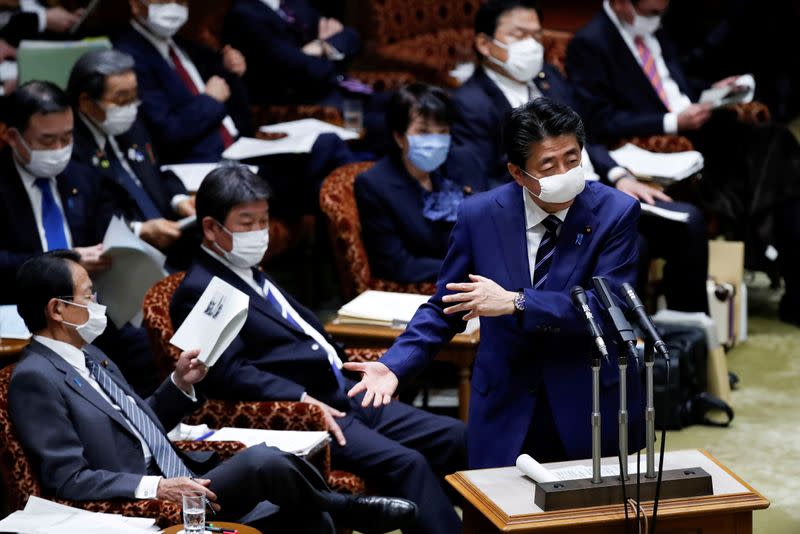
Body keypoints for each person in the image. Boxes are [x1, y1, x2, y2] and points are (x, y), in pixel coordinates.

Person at [9, 251, 417, 534]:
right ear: (57, 309)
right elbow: (68, 479)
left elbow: (136, 428)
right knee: (262, 462)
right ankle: (350, 508)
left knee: (308, 521)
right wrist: (156, 489)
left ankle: (332, 510)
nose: (97, 302)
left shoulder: (91, 353)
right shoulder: (36, 377)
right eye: (87, 295)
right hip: (148, 502)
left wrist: (180, 383)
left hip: (188, 477)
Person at [345, 98, 644, 469]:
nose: (565, 172)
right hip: (506, 402)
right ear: (518, 173)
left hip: (586, 399)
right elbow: (447, 306)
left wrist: (518, 301)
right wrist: (394, 365)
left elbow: (605, 309)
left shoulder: (616, 213)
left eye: (572, 158)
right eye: (548, 165)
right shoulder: (480, 214)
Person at [170, 165, 466, 534]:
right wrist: (301, 399)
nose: (259, 232)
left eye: (263, 220)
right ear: (212, 227)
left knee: (457, 436)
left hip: (345, 390)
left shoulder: (247, 268)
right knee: (408, 463)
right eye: (246, 223)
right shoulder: (200, 289)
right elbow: (229, 372)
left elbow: (305, 333)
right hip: (310, 411)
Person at [451, 0, 708, 312]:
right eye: (519, 35)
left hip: (596, 193)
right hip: (548, 207)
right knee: (634, 244)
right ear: (483, 43)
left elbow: (587, 137)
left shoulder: (549, 78)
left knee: (688, 223)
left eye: (536, 36)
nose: (531, 45)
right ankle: (621, 344)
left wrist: (619, 175)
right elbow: (482, 183)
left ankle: (690, 339)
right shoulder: (470, 103)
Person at [566, 0, 800, 324]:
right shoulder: (590, 43)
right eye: (651, 13)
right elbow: (598, 120)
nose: (657, 19)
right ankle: (778, 267)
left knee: (778, 147)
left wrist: (714, 92)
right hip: (664, 146)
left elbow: (674, 86)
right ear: (621, 4)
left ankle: (775, 261)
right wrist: (672, 122)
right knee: (776, 163)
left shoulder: (650, 30)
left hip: (702, 131)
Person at [115, 0, 354, 218]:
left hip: (238, 147)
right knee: (324, 171)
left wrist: (232, 69)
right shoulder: (128, 57)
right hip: (203, 164)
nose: (174, 7)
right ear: (136, 5)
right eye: (165, 0)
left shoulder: (182, 46)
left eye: (180, 0)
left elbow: (226, 82)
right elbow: (168, 132)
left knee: (327, 146)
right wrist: (210, 99)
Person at [67, 49, 198, 270]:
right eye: (121, 99)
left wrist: (179, 199)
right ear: (86, 102)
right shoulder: (69, 146)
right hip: (124, 259)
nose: (131, 106)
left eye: (134, 96)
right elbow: (89, 221)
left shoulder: (130, 123)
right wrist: (140, 230)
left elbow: (159, 171)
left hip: (174, 240)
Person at [223, 0, 389, 154]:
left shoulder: (292, 4)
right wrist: (326, 56)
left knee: (406, 103)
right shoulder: (245, 14)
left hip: (341, 88)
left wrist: (322, 46)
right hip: (306, 104)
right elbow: (299, 67)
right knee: (392, 123)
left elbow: (351, 36)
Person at [0, 81, 111, 304]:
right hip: (20, 309)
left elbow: (104, 237)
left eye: (67, 137)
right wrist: (62, 261)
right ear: (13, 137)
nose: (59, 149)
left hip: (90, 307)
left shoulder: (83, 176)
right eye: (47, 140)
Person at [355, 83, 468, 284]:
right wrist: (466, 268)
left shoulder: (456, 167)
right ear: (399, 137)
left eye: (442, 131)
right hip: (423, 290)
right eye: (423, 132)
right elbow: (396, 265)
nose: (435, 140)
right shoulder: (374, 185)